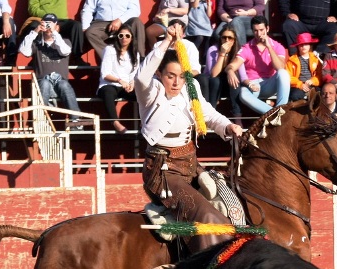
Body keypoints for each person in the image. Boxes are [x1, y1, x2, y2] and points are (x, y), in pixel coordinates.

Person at [136, 22, 243, 253]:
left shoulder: (191, 87)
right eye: (170, 76)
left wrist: (229, 126)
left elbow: (209, 115)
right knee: (205, 214)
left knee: (231, 202)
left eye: (181, 76)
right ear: (160, 75)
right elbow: (142, 75)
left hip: (191, 164)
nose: (176, 82)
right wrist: (166, 42)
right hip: (162, 171)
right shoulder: (150, 91)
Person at [19, 13, 83, 127]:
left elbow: (65, 51)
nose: (48, 27)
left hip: (60, 81)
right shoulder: (37, 43)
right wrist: (35, 31)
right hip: (42, 80)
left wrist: (54, 33)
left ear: (57, 27)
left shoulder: (65, 41)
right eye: (45, 24)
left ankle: (76, 122)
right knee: (44, 83)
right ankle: (39, 120)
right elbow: (24, 51)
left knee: (64, 85)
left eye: (51, 24)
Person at [224, 15, 290, 115]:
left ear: (267, 29)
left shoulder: (277, 46)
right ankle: (275, 114)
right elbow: (233, 65)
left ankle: (281, 108)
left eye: (261, 30)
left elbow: (280, 67)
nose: (258, 34)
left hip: (269, 84)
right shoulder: (247, 47)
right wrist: (230, 71)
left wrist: (269, 47)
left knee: (283, 73)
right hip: (252, 85)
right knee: (243, 94)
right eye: (255, 30)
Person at [97, 23, 140, 133]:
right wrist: (119, 80)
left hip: (126, 86)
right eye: (121, 35)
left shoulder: (135, 53)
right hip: (110, 83)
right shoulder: (109, 50)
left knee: (142, 94)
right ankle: (115, 122)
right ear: (117, 37)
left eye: (127, 36)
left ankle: (145, 122)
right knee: (108, 92)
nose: (124, 38)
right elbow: (105, 74)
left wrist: (132, 84)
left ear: (132, 38)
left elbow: (134, 73)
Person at [18, 0, 86, 65]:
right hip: (42, 19)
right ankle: (36, 57)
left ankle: (76, 58)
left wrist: (54, 20)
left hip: (61, 19)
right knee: (34, 26)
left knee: (76, 25)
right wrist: (49, 17)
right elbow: (32, 9)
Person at [204, 24, 246, 124]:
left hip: (230, 86)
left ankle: (237, 118)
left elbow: (243, 75)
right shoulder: (213, 50)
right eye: (224, 37)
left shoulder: (238, 51)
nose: (227, 40)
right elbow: (213, 74)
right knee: (216, 80)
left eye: (230, 38)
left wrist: (249, 83)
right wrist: (222, 53)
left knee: (235, 79)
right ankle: (211, 116)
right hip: (215, 86)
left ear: (234, 40)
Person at [81, 0, 145, 60]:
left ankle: (140, 57)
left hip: (124, 22)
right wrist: (85, 27)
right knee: (90, 33)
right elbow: (88, 9)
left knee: (137, 22)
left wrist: (120, 20)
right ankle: (112, 57)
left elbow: (135, 10)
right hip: (102, 22)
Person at [287, 32, 322, 101]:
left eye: (306, 44)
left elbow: (320, 75)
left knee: (321, 94)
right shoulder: (291, 60)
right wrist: (300, 84)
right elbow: (289, 77)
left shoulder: (315, 59)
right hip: (298, 85)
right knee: (295, 95)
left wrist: (313, 81)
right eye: (301, 45)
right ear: (297, 46)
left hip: (312, 84)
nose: (304, 47)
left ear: (310, 45)